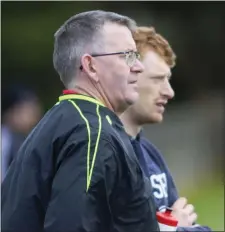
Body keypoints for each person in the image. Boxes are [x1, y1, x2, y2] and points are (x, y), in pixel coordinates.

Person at [2, 11, 160, 232]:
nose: (138, 67)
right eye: (128, 55)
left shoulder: (63, 120)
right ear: (91, 66)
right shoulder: (92, 133)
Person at [120, 26, 212, 231]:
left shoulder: (150, 154)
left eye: (168, 80)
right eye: (157, 79)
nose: (169, 92)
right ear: (127, 76)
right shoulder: (98, 153)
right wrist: (173, 227)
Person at [1, 84, 42, 181]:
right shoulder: (4, 141)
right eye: (27, 109)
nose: (34, 114)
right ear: (10, 112)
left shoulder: (36, 140)